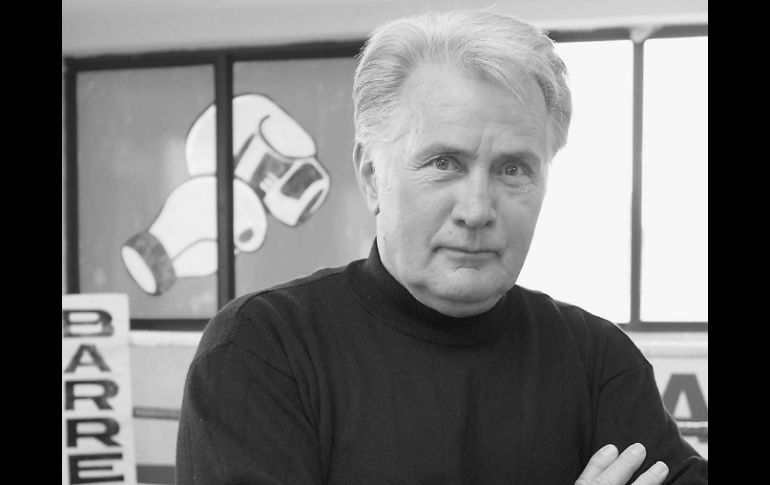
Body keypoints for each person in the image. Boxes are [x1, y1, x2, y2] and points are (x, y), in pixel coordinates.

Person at [176, 10, 708, 485]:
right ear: (371, 176)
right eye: (444, 163)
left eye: (513, 169)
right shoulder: (264, 350)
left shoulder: (597, 362)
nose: (476, 209)